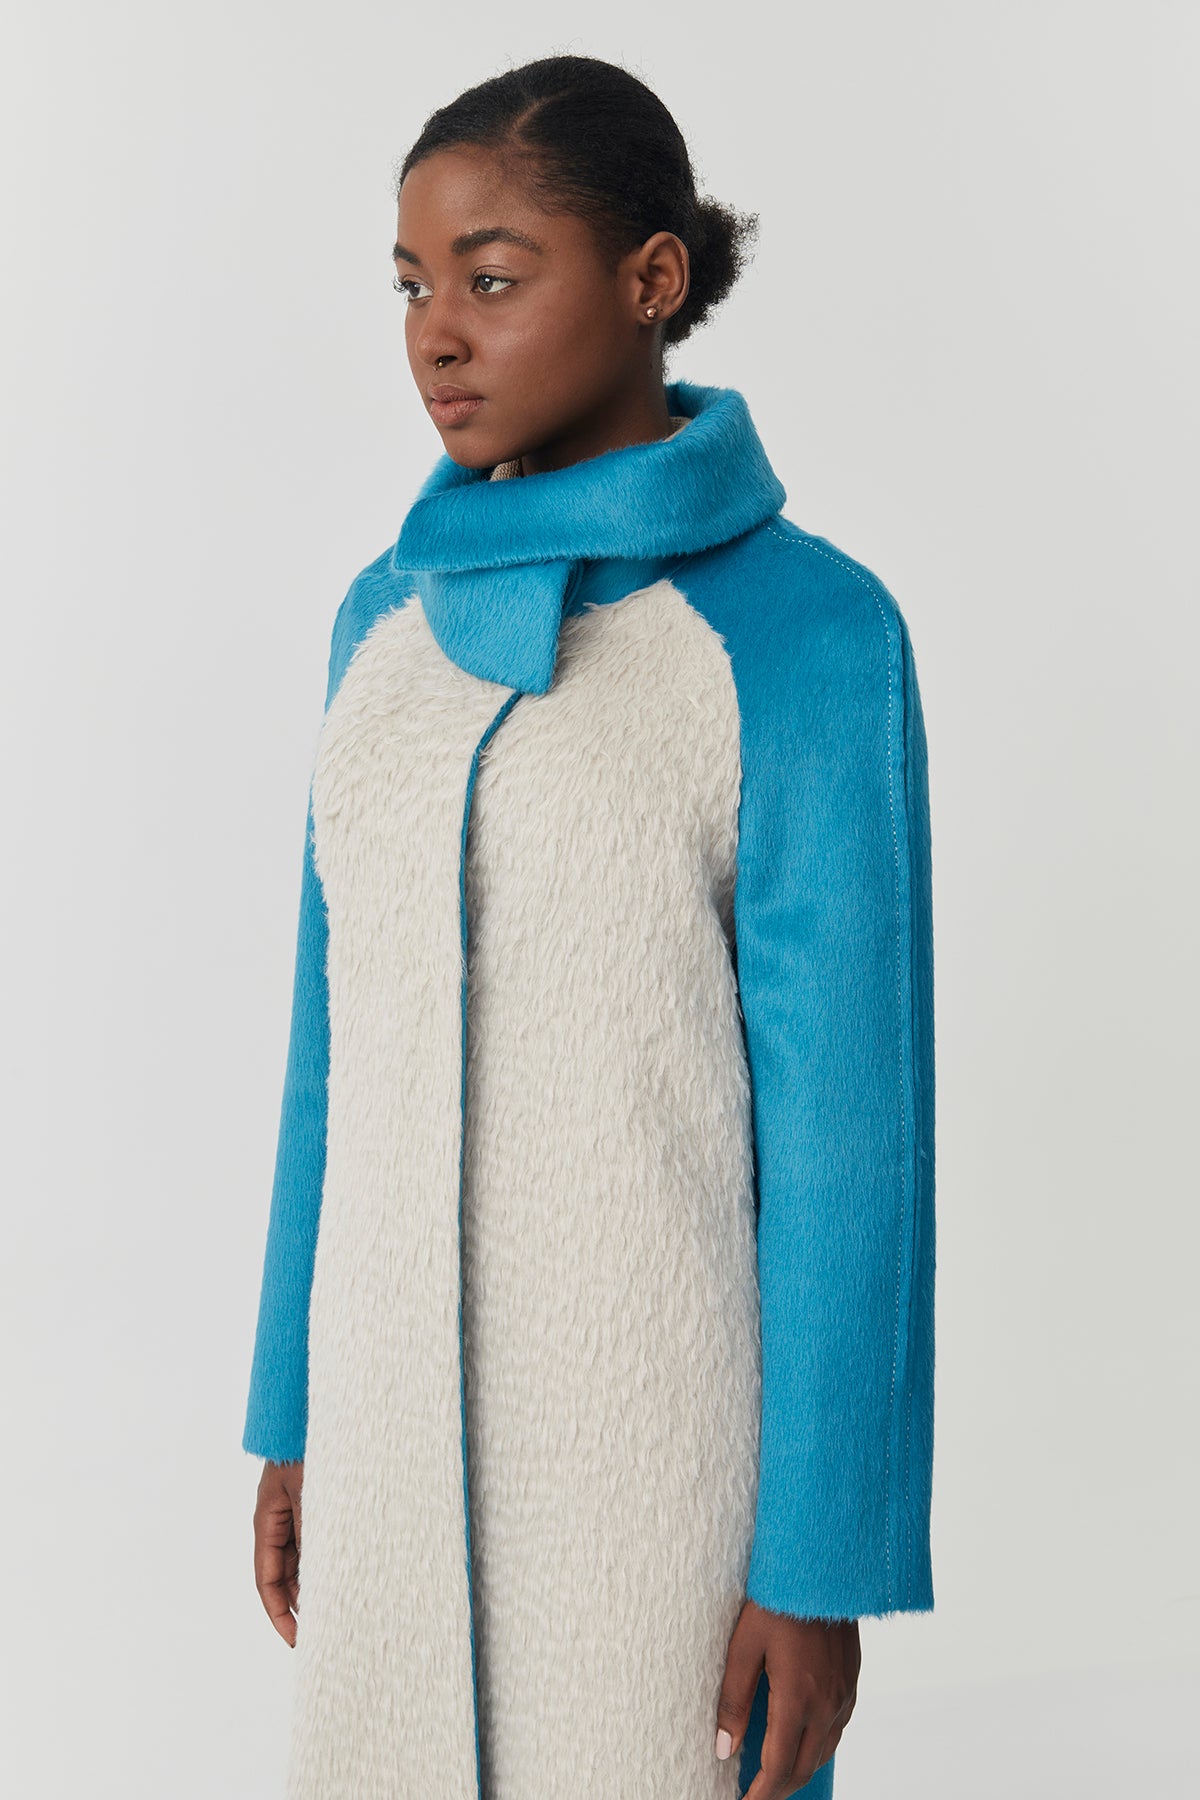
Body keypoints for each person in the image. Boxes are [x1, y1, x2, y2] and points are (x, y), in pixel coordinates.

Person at [241, 52, 936, 1800]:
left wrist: (821, 1565)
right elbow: (333, 1048)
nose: (437, 336)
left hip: (659, 1472)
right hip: (384, 1445)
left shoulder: (808, 635)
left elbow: (854, 1137)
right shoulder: (380, 624)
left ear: (652, 279)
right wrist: (290, 1413)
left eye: (491, 277)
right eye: (412, 285)